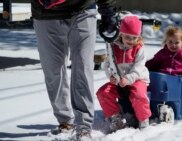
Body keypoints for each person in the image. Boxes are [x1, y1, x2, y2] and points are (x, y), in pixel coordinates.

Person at [31, 0, 117, 140]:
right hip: (45, 13)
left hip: (82, 8)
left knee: (83, 67)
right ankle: (65, 121)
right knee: (53, 71)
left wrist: (107, 9)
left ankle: (84, 126)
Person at [96, 15, 151, 132]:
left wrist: (128, 78)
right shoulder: (113, 47)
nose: (131, 40)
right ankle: (115, 117)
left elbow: (139, 67)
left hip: (137, 79)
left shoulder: (139, 48)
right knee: (103, 93)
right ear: (121, 34)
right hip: (119, 81)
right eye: (127, 37)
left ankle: (143, 120)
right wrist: (111, 76)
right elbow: (107, 64)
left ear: (139, 36)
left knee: (139, 96)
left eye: (134, 37)